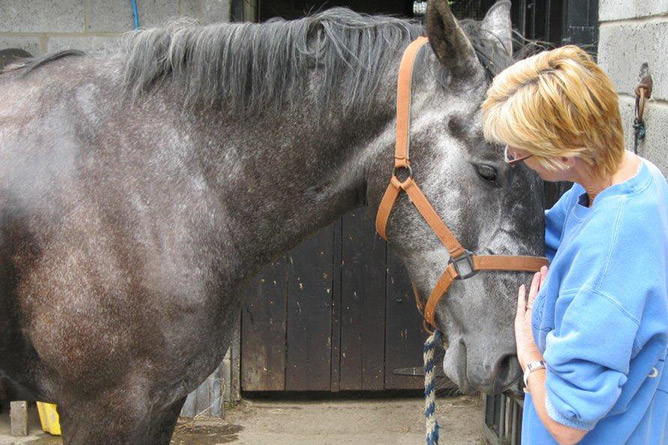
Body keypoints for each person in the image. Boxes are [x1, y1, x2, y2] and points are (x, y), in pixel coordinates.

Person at [481, 45, 668, 444]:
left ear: (564, 156)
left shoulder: (609, 253)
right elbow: (550, 238)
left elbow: (568, 422)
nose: (514, 158)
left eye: (519, 152)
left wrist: (530, 353)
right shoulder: (630, 175)